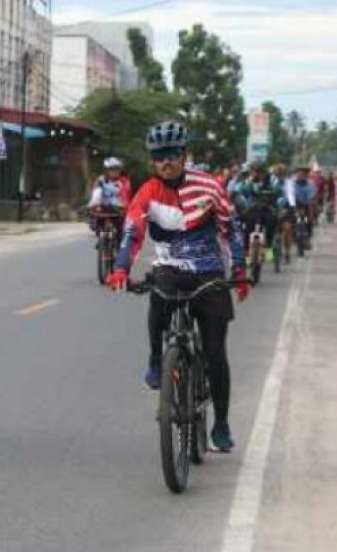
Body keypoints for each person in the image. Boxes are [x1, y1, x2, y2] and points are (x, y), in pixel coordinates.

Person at [107, 121, 248, 452]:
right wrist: (120, 268)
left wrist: (240, 269)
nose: (165, 162)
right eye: (159, 156)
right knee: (158, 297)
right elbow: (132, 231)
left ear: (184, 155)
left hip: (208, 271)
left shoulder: (210, 186)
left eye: (172, 155)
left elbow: (231, 227)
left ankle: (222, 424)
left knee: (215, 352)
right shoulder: (148, 192)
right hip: (169, 266)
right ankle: (157, 358)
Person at [240, 162, 282, 257]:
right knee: (247, 227)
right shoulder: (250, 180)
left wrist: (273, 190)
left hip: (268, 207)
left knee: (271, 222)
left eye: (261, 172)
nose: (259, 174)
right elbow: (243, 190)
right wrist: (249, 187)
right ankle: (247, 251)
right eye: (256, 172)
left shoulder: (272, 179)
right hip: (254, 208)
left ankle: (268, 247)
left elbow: (278, 189)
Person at [87, 157, 131, 244]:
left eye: (116, 169)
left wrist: (125, 207)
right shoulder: (101, 180)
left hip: (119, 208)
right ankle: (100, 235)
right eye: (111, 169)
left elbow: (126, 195)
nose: (114, 172)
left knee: (122, 231)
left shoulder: (124, 181)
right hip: (103, 207)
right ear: (106, 170)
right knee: (95, 216)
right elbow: (95, 194)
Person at [286, 164, 317, 249]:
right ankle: (292, 235)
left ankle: (308, 238)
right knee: (289, 221)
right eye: (299, 173)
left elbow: (312, 194)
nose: (301, 175)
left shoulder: (310, 185)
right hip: (295, 206)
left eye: (303, 174)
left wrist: (311, 199)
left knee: (309, 220)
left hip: (306, 206)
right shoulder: (292, 184)